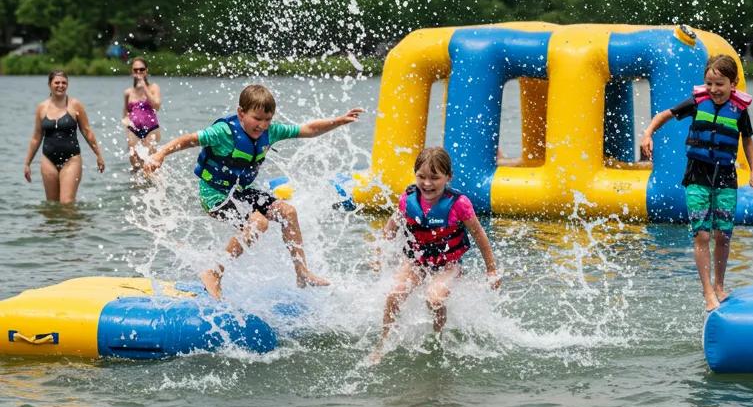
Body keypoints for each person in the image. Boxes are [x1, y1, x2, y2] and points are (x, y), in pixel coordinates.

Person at [144, 83, 364, 298]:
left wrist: (339, 121)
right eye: (257, 119)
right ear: (241, 113)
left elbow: (308, 129)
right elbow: (189, 140)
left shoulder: (271, 131)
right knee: (259, 223)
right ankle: (214, 273)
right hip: (214, 193)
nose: (262, 125)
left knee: (288, 212)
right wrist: (160, 154)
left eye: (267, 119)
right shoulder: (224, 132)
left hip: (241, 191)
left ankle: (302, 273)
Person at [639, 54, 753, 311]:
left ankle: (719, 286)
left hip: (726, 177)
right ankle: (708, 292)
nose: (714, 89)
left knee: (723, 235)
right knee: (702, 234)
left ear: (733, 84)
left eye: (719, 84)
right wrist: (648, 133)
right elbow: (665, 115)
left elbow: (747, 141)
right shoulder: (697, 102)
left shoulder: (740, 111)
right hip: (697, 175)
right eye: (709, 83)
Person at [372, 146, 499, 361]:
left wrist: (491, 270)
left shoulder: (459, 204)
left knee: (435, 298)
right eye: (421, 176)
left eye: (435, 177)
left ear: (448, 177)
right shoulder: (408, 199)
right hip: (416, 261)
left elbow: (479, 235)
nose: (427, 183)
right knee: (394, 294)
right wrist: (378, 257)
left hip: (448, 264)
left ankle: (438, 339)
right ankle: (383, 343)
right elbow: (390, 230)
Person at [24, 70, 105, 204]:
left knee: (67, 203)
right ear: (49, 84)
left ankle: (72, 218)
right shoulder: (41, 108)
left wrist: (98, 155)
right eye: (57, 83)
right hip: (48, 160)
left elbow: (87, 131)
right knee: (52, 205)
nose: (60, 86)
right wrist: (27, 163)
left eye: (64, 83)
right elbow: (36, 137)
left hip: (71, 159)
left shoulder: (75, 105)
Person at [122, 57, 162, 170]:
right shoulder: (128, 92)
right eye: (136, 70)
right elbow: (125, 113)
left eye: (141, 69)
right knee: (135, 163)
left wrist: (143, 85)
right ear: (132, 72)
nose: (138, 72)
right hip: (133, 130)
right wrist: (126, 125)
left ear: (146, 71)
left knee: (149, 164)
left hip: (151, 129)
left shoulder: (153, 87)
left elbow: (156, 106)